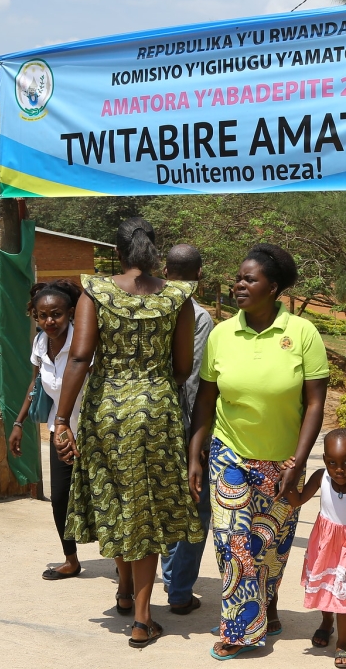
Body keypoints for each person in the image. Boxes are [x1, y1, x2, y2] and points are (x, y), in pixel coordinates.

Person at [53, 217, 205, 649]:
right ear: (154, 253)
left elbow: (80, 358)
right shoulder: (179, 297)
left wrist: (62, 420)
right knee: (148, 508)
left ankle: (125, 592)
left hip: (108, 412)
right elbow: (181, 368)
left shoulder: (95, 293)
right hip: (157, 411)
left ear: (117, 253)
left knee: (118, 498)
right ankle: (142, 617)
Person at [187, 243, 330, 660]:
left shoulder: (302, 333)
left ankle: (265, 606)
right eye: (239, 278)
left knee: (271, 546)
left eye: (250, 279)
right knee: (235, 544)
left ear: (275, 287)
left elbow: (316, 402)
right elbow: (205, 401)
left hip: (284, 462)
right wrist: (196, 454)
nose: (239, 285)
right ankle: (240, 629)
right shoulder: (221, 334)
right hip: (229, 454)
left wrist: (299, 462)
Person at [9, 279, 85, 580]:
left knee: (103, 497)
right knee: (60, 498)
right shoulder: (41, 342)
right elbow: (37, 383)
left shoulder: (83, 341)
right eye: (42, 316)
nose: (49, 321)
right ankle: (71, 559)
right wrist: (18, 422)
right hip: (60, 431)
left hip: (92, 430)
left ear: (70, 313)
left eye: (56, 314)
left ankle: (123, 567)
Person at [283, 428, 346, 669]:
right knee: (326, 590)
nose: (339, 469)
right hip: (324, 545)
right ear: (324, 460)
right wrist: (287, 478)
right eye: (333, 463)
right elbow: (297, 500)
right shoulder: (320, 477)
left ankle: (343, 644)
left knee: (345, 596)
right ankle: (326, 623)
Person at [160, 244, 214, 615]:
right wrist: (198, 438)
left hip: (148, 422)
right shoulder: (198, 316)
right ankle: (178, 591)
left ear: (166, 271)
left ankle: (166, 576)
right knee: (197, 507)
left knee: (162, 503)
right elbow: (194, 380)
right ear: (199, 276)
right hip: (182, 424)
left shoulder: (148, 305)